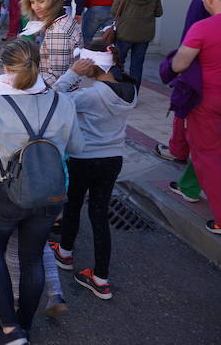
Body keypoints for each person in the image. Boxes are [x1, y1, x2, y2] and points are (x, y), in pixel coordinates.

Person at [0, 39, 83, 344]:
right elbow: (77, 147)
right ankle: (25, 326)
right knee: (32, 257)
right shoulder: (63, 102)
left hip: (5, 189)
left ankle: (10, 329)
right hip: (48, 191)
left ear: (5, 69)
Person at [49, 43, 137, 299]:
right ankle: (101, 277)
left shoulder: (91, 95)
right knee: (99, 215)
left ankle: (65, 254)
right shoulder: (130, 89)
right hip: (113, 159)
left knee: (73, 206)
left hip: (84, 158)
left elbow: (52, 98)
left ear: (91, 65)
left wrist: (72, 74)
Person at [169, 0, 221, 235]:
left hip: (210, 100)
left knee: (207, 155)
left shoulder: (202, 27)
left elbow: (179, 65)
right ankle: (188, 187)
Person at [20, 0, 83, 88]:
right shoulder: (64, 19)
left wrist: (26, 87)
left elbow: (57, 76)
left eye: (41, 1)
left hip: (59, 96)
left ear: (54, 1)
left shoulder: (58, 31)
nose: (35, 7)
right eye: (32, 2)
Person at [110, 0, 162, 89]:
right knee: (137, 65)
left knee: (118, 63)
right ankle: (133, 94)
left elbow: (114, 11)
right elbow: (158, 12)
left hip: (124, 32)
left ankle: (117, 92)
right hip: (144, 34)